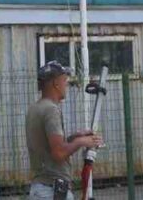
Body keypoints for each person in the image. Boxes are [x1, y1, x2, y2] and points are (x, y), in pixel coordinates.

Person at [25, 61, 103, 200]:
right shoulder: (51, 110)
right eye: (64, 80)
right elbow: (59, 152)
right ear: (56, 83)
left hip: (39, 188)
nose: (66, 84)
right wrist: (81, 141)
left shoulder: (35, 108)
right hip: (52, 191)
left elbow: (49, 146)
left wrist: (74, 137)